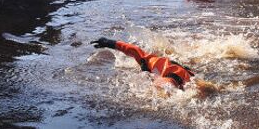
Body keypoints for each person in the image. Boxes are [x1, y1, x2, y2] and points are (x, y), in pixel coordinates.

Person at [91, 37, 219, 95]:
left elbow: (132, 49)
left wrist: (108, 42)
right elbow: (131, 49)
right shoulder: (153, 60)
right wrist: (109, 43)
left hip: (172, 76)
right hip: (186, 75)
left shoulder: (146, 60)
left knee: (156, 89)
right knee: (205, 90)